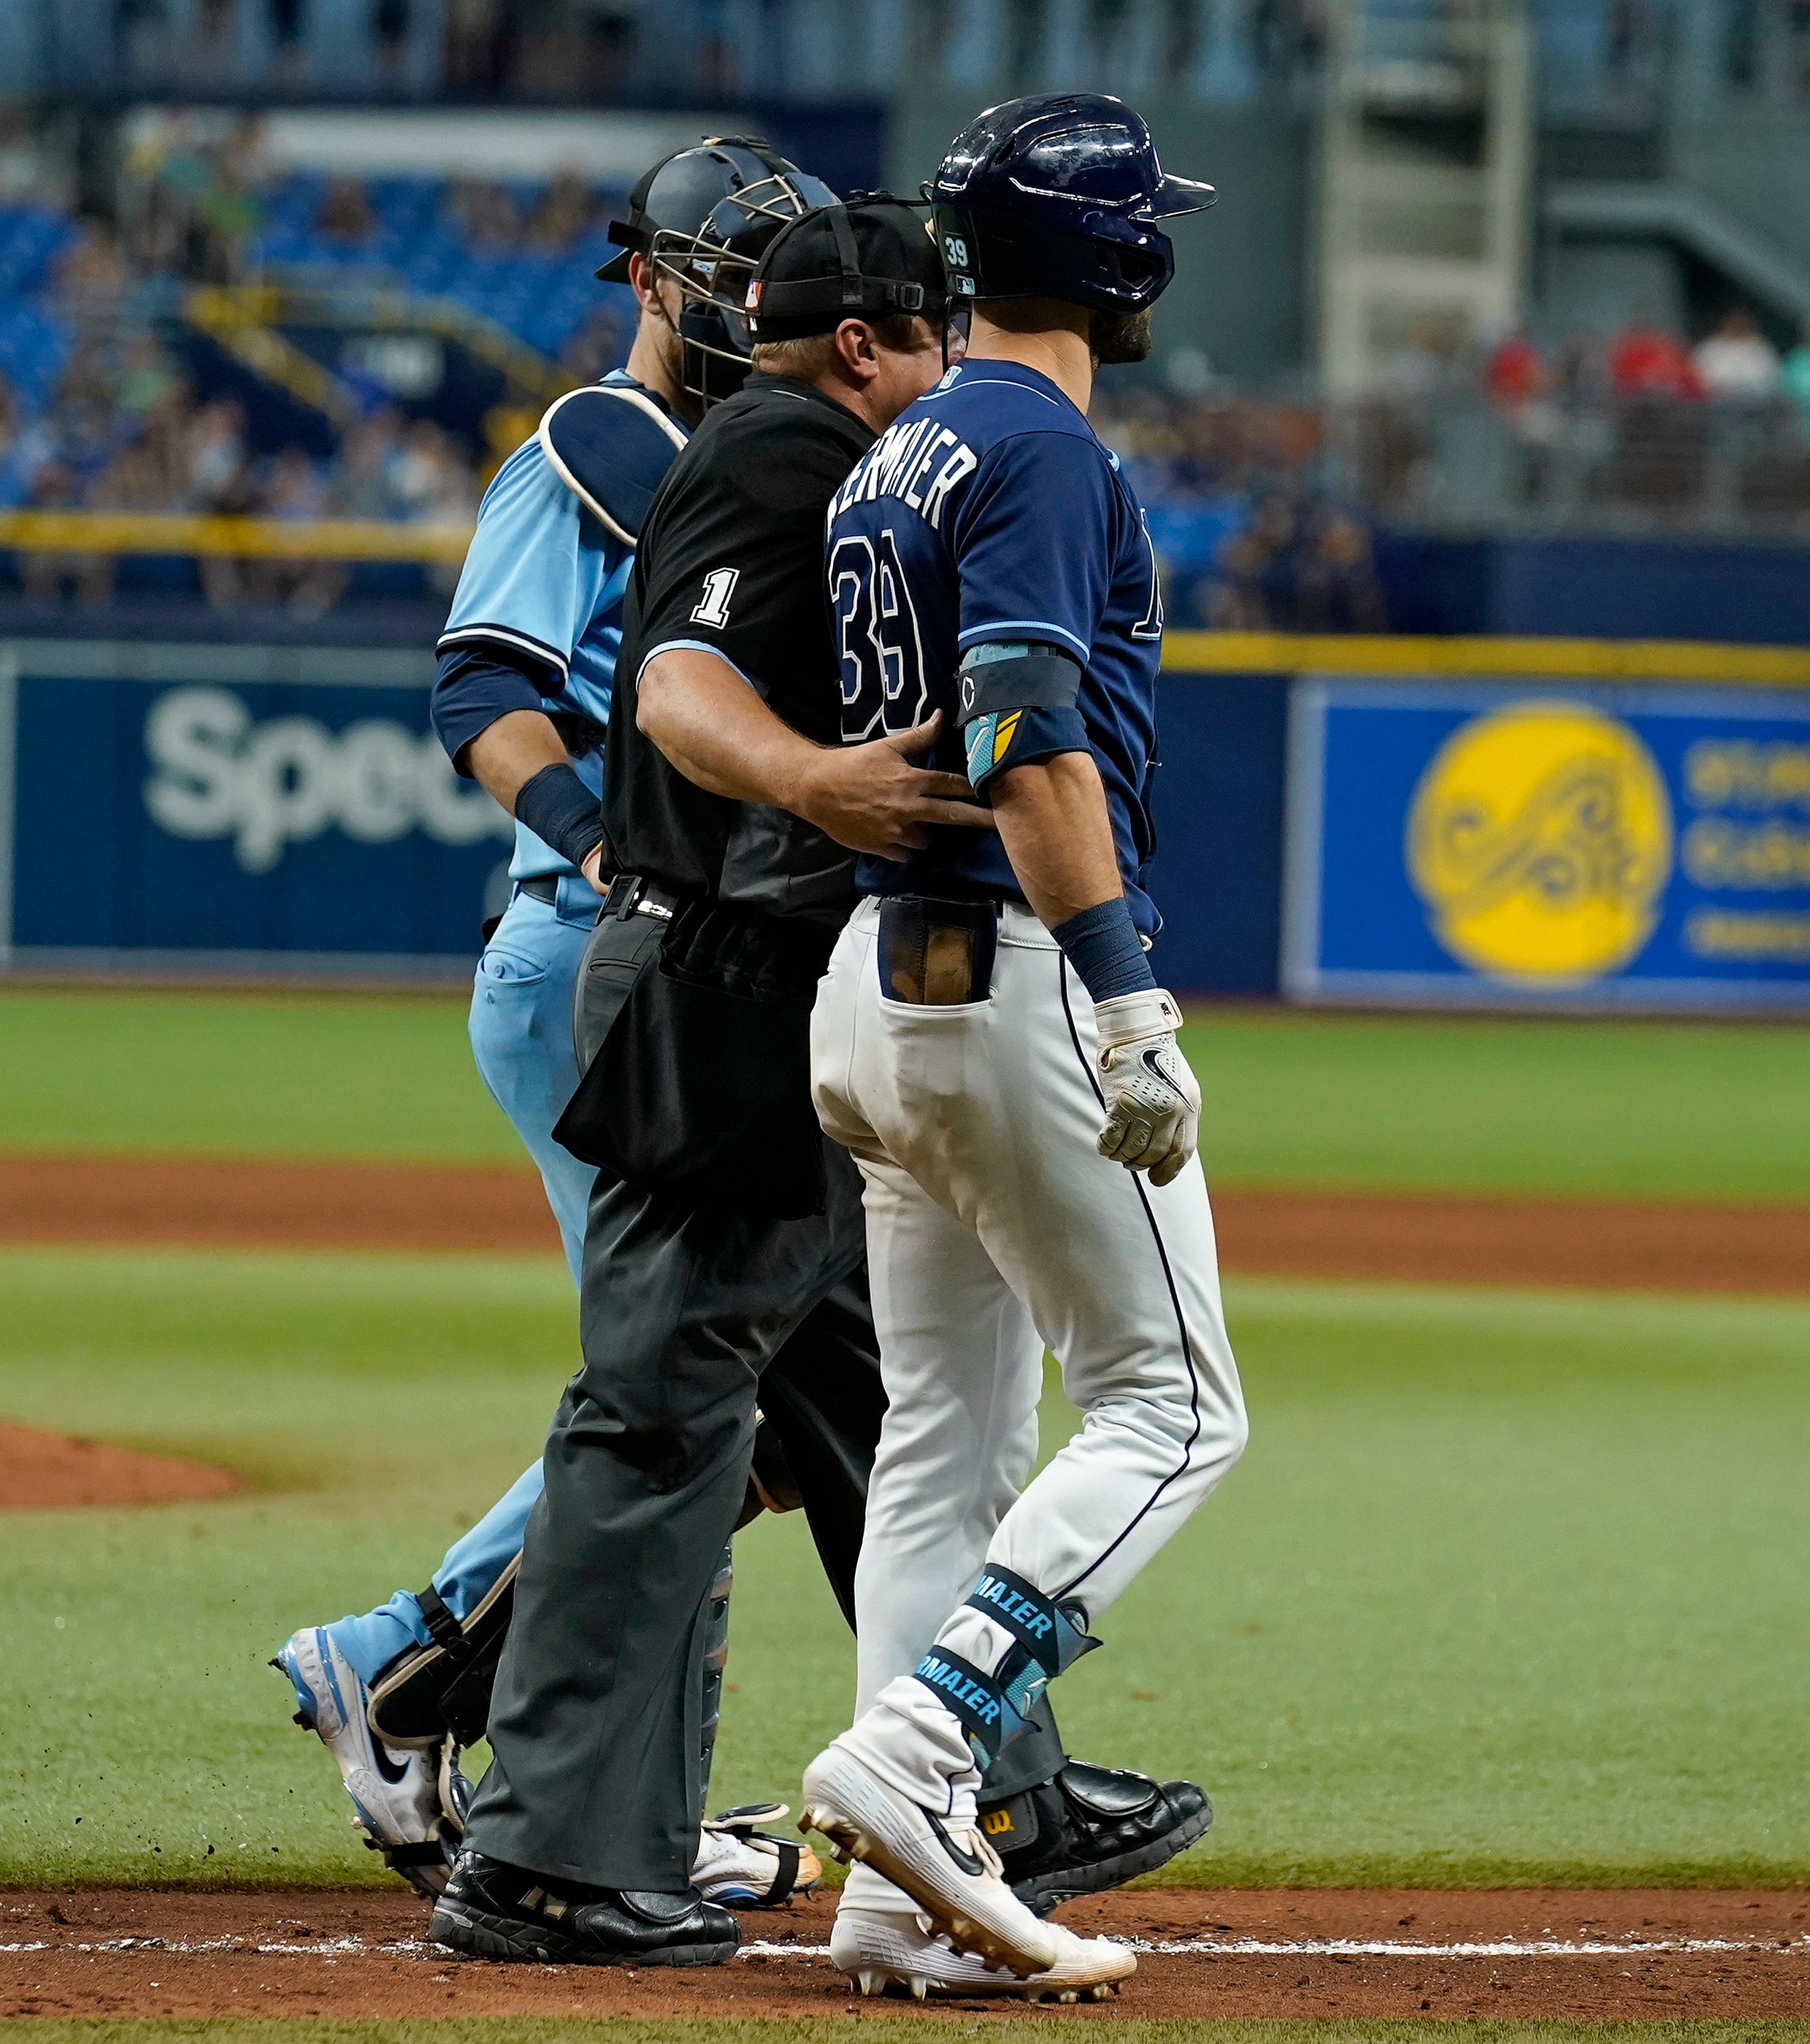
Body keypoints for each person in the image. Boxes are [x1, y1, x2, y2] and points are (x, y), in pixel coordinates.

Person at [429, 182, 1204, 1976]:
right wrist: (812, 783)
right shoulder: (786, 449)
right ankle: (539, 1844)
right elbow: (683, 686)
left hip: (777, 984)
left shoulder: (823, 451)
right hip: (713, 964)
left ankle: (988, 1785)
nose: (948, 370)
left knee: (864, 1403)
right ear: (860, 343)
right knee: (662, 1412)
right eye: (926, 337)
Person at [269, 136, 835, 1918]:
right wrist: (607, 845)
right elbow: (484, 682)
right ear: (662, 281)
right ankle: (489, 1719)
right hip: (599, 960)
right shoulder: (602, 447)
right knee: (690, 1395)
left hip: (696, 973)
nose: (763, 302)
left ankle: (510, 1729)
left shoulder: (760, 460)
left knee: (714, 1392)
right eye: (740, 271)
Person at [794, 94, 1249, 1994]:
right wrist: (1127, 989)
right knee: (1175, 1407)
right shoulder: (1045, 445)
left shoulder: (897, 447)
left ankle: (899, 1904)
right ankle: (921, 1751)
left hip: (876, 992)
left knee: (943, 1447)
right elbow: (1026, 729)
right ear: (1125, 260)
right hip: (1012, 979)